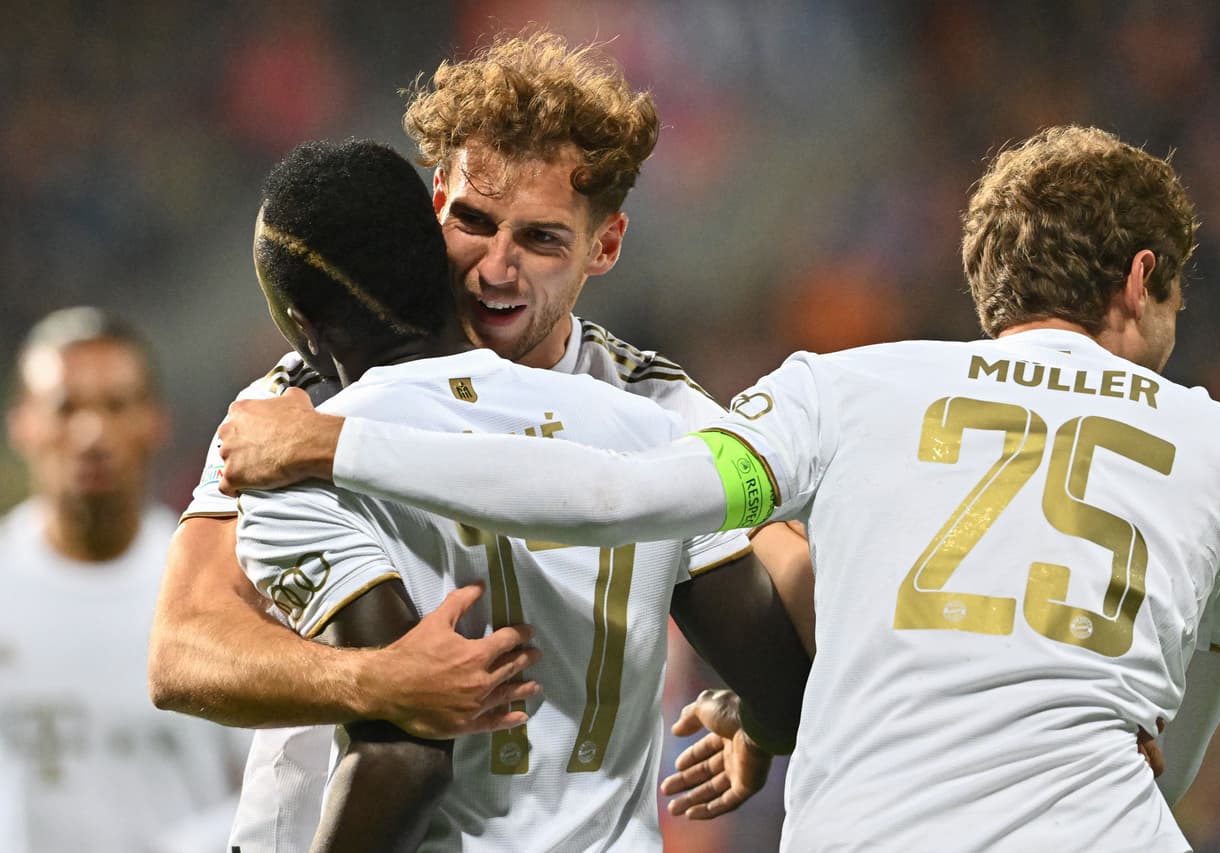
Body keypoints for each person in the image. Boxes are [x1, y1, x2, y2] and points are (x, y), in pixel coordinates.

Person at [216, 125, 1220, 852]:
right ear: (1139, 278)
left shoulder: (841, 389)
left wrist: (333, 450)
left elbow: (618, 494)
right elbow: (1181, 729)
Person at [147, 28, 812, 840]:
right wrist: (371, 680)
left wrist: (764, 716)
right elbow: (184, 648)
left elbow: (794, 584)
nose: (494, 268)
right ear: (435, 205)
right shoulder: (295, 402)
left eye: (539, 238)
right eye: (474, 221)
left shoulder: (661, 408)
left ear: (605, 244)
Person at [0, 308, 245, 853]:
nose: (91, 433)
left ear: (157, 422)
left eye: (115, 405)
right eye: (66, 408)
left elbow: (278, 778)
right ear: (23, 425)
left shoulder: (216, 587)